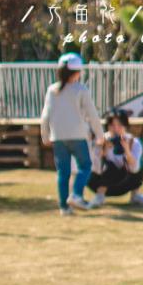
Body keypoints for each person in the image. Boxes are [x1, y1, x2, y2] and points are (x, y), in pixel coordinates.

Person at [39, 51, 106, 215]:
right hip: (78, 135)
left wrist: (45, 135)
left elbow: (45, 115)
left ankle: (64, 207)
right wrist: (100, 135)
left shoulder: (52, 90)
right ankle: (76, 194)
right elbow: (92, 114)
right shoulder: (81, 89)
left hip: (58, 137)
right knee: (86, 166)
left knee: (63, 173)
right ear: (76, 72)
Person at [87, 109, 143, 208]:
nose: (116, 129)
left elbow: (135, 167)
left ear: (125, 126)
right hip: (100, 183)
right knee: (109, 166)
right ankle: (100, 196)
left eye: (120, 125)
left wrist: (127, 150)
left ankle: (135, 195)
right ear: (107, 126)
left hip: (124, 184)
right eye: (112, 125)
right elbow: (93, 168)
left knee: (138, 164)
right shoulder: (101, 140)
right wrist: (103, 151)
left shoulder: (133, 142)